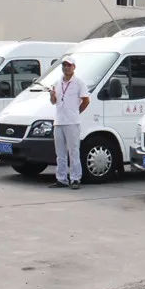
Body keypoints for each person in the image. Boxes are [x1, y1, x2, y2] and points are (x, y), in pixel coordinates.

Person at [49, 56, 90, 189]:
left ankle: (75, 179)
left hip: (72, 122)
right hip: (59, 121)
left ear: (74, 67)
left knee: (73, 152)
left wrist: (76, 112)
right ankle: (61, 179)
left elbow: (86, 100)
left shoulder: (79, 83)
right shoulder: (57, 82)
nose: (66, 67)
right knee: (59, 153)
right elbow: (54, 102)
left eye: (69, 65)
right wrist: (52, 95)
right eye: (64, 65)